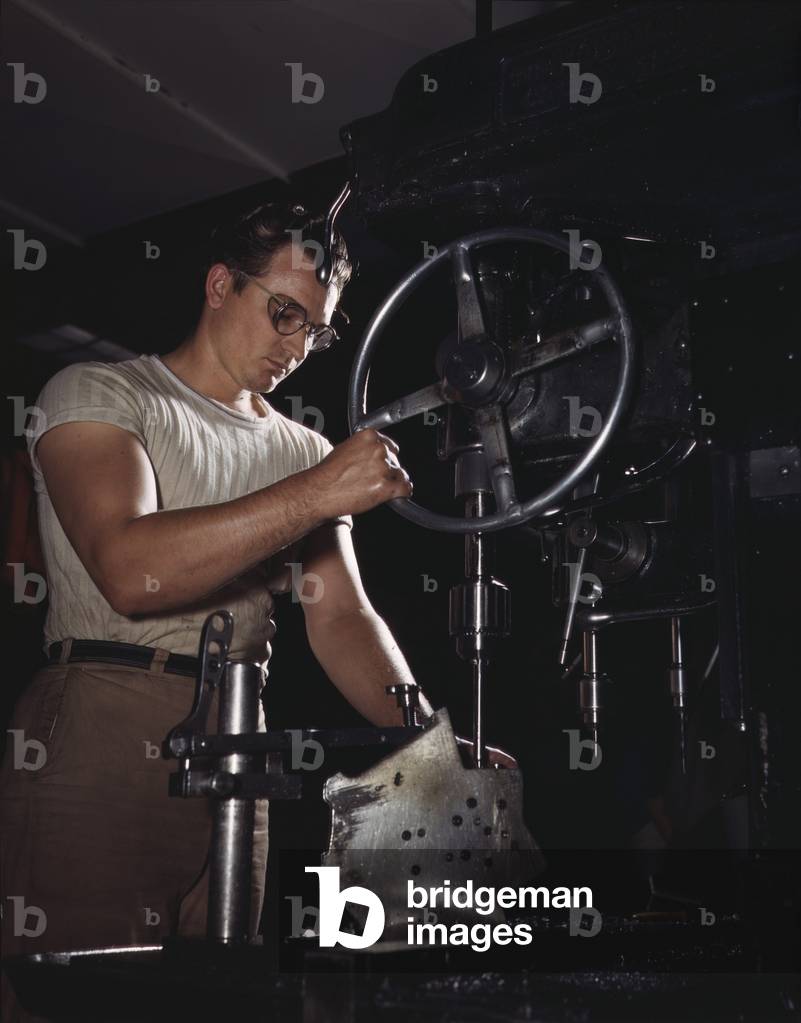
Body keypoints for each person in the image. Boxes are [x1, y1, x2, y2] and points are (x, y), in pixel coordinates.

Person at [0, 200, 512, 1022]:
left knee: (218, 999)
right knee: (77, 1000)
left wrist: (430, 743)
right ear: (219, 285)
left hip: (241, 741)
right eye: (284, 314)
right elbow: (129, 571)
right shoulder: (99, 391)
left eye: (318, 331)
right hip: (102, 720)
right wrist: (317, 491)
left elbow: (340, 617)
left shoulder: (302, 449)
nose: (296, 346)